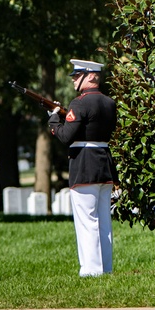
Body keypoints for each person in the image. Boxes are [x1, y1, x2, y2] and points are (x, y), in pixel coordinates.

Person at [48, 60, 119, 277]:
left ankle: (91, 270)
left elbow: (66, 136)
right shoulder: (109, 103)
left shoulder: (79, 104)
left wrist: (53, 121)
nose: (73, 79)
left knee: (87, 220)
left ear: (90, 77)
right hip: (104, 164)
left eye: (77, 75)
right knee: (103, 221)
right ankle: (105, 268)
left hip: (85, 165)